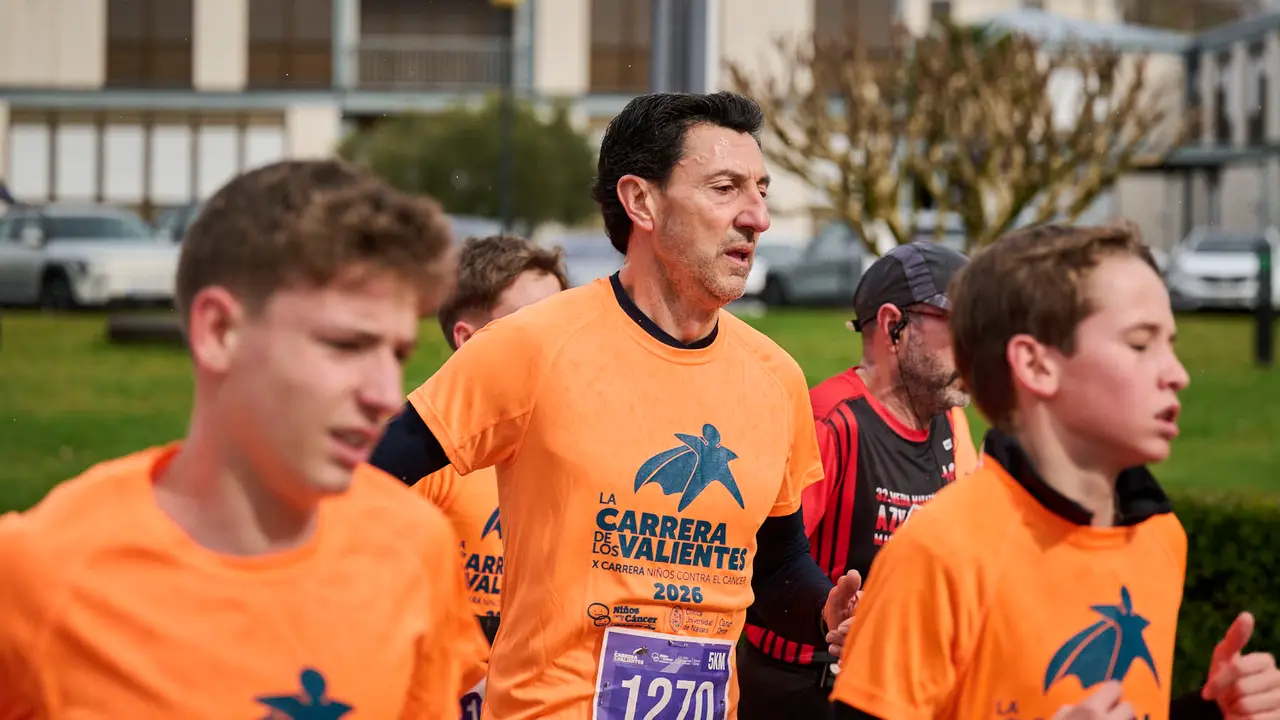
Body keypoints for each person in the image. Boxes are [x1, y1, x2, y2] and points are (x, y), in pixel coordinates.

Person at [367, 91, 862, 720]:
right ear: (641, 202)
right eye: (725, 188)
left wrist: (829, 612)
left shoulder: (774, 377)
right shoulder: (530, 346)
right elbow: (367, 480)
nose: (757, 217)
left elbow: (778, 566)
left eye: (761, 190)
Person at [0, 159, 486, 717]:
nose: (384, 393)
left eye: (396, 354)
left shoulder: (414, 546)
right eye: (345, 346)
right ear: (219, 333)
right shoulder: (40, 577)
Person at [829, 222, 1280, 720]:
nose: (1178, 372)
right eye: (1139, 343)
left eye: (1170, 342)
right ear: (1037, 366)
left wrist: (1212, 713)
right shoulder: (938, 554)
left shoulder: (1160, 537)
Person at [737, 241, 979, 719]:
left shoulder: (951, 422)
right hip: (803, 691)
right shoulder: (832, 421)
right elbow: (760, 570)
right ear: (893, 326)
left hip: (898, 685)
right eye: (961, 328)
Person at [371, 233, 570, 718]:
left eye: (564, 322)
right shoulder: (418, 455)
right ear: (468, 340)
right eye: (530, 326)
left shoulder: (577, 448)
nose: (560, 343)